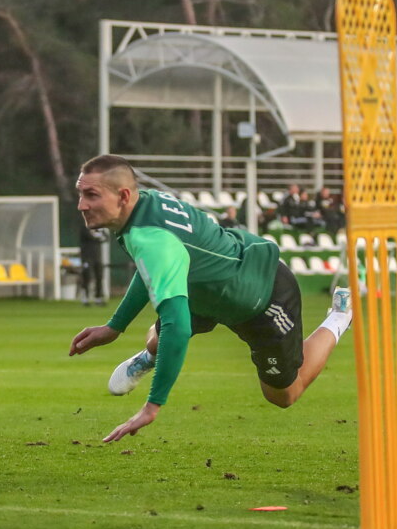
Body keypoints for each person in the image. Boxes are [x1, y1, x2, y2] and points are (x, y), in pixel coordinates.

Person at [67, 155, 352, 443]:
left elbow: (177, 325)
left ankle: (339, 317)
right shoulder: (141, 208)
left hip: (259, 294)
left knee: (284, 394)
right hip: (208, 290)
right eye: (81, 193)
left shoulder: (151, 238)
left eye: (91, 195)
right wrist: (115, 326)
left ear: (123, 195)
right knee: (158, 339)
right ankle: (149, 356)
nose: (81, 205)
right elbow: (150, 269)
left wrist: (152, 406)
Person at [78, 222, 105, 306]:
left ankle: (98, 298)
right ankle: (85, 298)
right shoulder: (84, 228)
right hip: (87, 257)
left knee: (99, 276)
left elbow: (106, 238)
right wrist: (98, 236)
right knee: (87, 276)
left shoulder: (100, 228)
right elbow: (90, 237)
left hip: (97, 257)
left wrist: (98, 235)